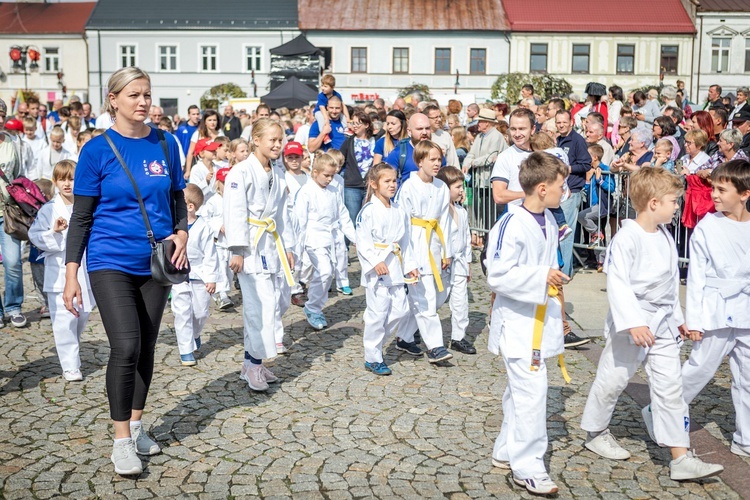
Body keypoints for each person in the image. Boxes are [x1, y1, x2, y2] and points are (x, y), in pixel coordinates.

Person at [64, 67, 188, 476]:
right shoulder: (97, 151)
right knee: (127, 346)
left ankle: (136, 427)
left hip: (155, 261)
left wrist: (183, 232)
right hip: (109, 261)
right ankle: (120, 441)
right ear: (113, 99)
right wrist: (70, 274)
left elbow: (176, 199)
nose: (143, 102)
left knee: (148, 347)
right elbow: (81, 218)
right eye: (134, 95)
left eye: (147, 94)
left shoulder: (166, 143)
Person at [580, 167, 724, 482]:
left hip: (662, 324)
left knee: (670, 389)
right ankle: (594, 431)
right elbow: (617, 283)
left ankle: (680, 457)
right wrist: (632, 322)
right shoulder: (626, 238)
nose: (677, 207)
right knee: (614, 379)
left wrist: (679, 318)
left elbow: (671, 286)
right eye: (674, 201)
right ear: (654, 203)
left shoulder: (665, 236)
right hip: (634, 321)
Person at [486, 151, 569, 496]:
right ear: (542, 188)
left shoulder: (548, 220)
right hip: (518, 326)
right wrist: (542, 275)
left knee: (518, 392)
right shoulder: (510, 223)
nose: (565, 192)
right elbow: (497, 275)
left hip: (539, 317)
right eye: (561, 186)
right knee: (532, 393)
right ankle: (528, 465)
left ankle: (506, 449)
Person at [680, 159, 750, 457]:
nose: (715, 195)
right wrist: (693, 319)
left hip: (746, 310)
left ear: (744, 194)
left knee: (747, 378)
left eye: (722, 190)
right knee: (699, 369)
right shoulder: (708, 227)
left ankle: (745, 438)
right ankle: (664, 409)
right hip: (715, 310)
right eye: (714, 189)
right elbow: (695, 277)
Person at [224, 119, 294, 392]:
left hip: (270, 245)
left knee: (272, 304)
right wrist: (237, 250)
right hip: (250, 248)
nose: (277, 145)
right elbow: (235, 212)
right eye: (272, 140)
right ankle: (253, 365)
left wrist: (287, 247)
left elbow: (282, 215)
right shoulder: (240, 172)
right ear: (256, 140)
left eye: (280, 140)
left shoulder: (277, 171)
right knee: (259, 307)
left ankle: (251, 362)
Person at [29, 160, 94, 381]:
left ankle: (71, 348)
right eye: (62, 179)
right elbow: (34, 236)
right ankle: (70, 365)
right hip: (58, 272)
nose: (67, 184)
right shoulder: (48, 210)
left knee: (81, 316)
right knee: (64, 320)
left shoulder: (87, 206)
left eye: (72, 178)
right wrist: (54, 232)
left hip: (85, 270)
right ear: (55, 182)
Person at [356, 163, 419, 375]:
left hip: (396, 265)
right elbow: (363, 241)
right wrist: (375, 261)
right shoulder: (368, 211)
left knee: (401, 310)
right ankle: (372, 357)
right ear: (374, 184)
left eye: (394, 181)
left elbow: (406, 241)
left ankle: (376, 342)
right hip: (378, 268)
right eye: (387, 181)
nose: (393, 185)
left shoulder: (399, 210)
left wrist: (410, 266)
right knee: (378, 313)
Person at [394, 140, 454, 363]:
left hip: (435, 244)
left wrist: (447, 250)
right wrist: (407, 260)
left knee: (434, 297)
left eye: (439, 159)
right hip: (416, 245)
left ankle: (404, 335)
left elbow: (445, 221)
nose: (437, 164)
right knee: (426, 299)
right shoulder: (408, 187)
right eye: (432, 159)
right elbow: (403, 225)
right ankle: (435, 347)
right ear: (420, 161)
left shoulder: (442, 187)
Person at [294, 153, 356, 330]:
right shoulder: (306, 192)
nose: (330, 179)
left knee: (328, 273)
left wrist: (354, 238)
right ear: (315, 172)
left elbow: (343, 216)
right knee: (325, 270)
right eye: (326, 175)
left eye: (333, 175)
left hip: (331, 238)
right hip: (313, 238)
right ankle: (312, 307)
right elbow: (300, 221)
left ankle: (315, 305)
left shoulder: (334, 190)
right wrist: (298, 249)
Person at [171, 184, 219, 366]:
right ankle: (186, 350)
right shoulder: (172, 225)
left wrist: (211, 278)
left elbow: (210, 254)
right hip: (178, 276)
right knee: (181, 312)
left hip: (199, 275)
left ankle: (195, 334)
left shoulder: (204, 227)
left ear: (190, 206)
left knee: (200, 313)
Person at [435, 166, 475, 355]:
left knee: (460, 301)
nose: (461, 190)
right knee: (436, 299)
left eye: (462, 186)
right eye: (457, 186)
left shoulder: (462, 211)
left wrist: (467, 263)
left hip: (458, 262)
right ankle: (416, 328)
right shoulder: (440, 211)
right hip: (443, 262)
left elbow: (466, 239)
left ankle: (458, 337)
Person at [556, 109, 592, 277]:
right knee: (560, 232)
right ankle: (562, 268)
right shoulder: (558, 140)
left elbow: (586, 165)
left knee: (566, 233)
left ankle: (565, 272)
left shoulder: (578, 141)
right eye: (558, 122)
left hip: (572, 192)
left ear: (571, 122)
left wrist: (568, 169)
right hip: (559, 192)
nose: (561, 125)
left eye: (564, 122)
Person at [201, 167, 234, 311]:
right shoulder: (213, 201)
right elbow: (205, 218)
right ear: (218, 183)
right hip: (218, 242)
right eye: (224, 182)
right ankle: (221, 295)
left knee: (229, 271)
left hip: (231, 242)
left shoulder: (235, 200)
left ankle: (225, 292)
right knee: (220, 268)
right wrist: (218, 226)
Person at [339, 110, 376, 224]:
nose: (355, 126)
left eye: (358, 123)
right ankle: (352, 242)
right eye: (353, 123)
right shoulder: (349, 141)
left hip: (370, 185)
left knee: (368, 218)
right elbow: (340, 159)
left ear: (366, 124)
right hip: (352, 185)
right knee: (352, 218)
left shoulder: (375, 140)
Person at [384, 113, 442, 184]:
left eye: (427, 128)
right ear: (409, 131)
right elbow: (387, 182)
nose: (424, 132)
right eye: (419, 129)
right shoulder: (398, 153)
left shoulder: (436, 151)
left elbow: (444, 176)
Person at [185, 109, 223, 180]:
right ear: (205, 122)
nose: (212, 123)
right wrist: (188, 170)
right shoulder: (197, 134)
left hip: (217, 166)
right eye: (210, 120)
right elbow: (190, 153)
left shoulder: (220, 134)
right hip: (202, 167)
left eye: (214, 120)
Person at [189, 138, 219, 202]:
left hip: (216, 205)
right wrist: (206, 181)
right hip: (202, 206)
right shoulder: (196, 169)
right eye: (211, 150)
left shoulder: (217, 167)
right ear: (202, 153)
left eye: (215, 149)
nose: (215, 151)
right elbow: (194, 190)